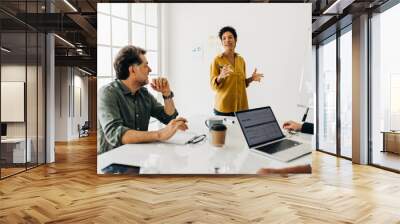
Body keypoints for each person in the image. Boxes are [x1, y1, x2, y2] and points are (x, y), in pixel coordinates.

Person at [98, 45, 188, 154]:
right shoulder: (107, 93)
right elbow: (115, 134)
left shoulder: (143, 94)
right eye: (146, 66)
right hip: (112, 162)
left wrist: (166, 93)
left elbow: (169, 118)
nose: (150, 70)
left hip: (138, 158)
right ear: (132, 69)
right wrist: (159, 134)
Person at [210, 26, 264, 116]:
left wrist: (251, 79)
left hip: (241, 108)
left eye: (230, 37)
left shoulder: (241, 60)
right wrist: (220, 77)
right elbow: (213, 86)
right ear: (222, 42)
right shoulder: (217, 60)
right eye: (224, 38)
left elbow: (242, 84)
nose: (227, 40)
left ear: (235, 40)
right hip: (224, 108)